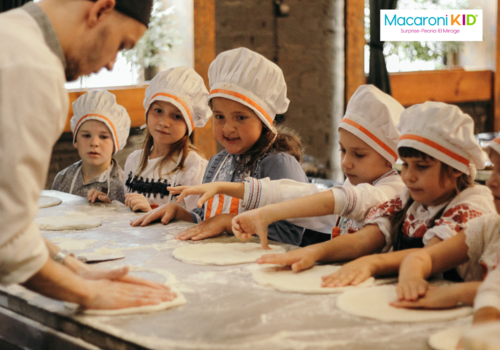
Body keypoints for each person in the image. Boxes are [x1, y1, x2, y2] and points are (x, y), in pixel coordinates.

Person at [0, 0, 175, 310]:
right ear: (100, 9)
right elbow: (6, 241)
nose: (111, 63)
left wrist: (71, 265)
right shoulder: (32, 69)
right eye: (121, 45)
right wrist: (89, 293)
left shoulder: (10, 32)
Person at [234, 102, 495, 285]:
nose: (409, 176)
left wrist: (371, 264)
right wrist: (316, 253)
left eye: (422, 167)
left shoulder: (472, 202)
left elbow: (430, 257)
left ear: (456, 171)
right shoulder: (410, 200)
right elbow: (369, 237)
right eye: (406, 166)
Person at [168, 85, 406, 249]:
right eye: (342, 151)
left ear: (390, 157)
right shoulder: (356, 180)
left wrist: (261, 215)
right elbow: (298, 197)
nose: (346, 163)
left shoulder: (388, 192)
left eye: (359, 154)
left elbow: (323, 199)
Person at [131, 47, 309, 246]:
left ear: (264, 120)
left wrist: (228, 223)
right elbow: (205, 216)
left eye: (240, 117)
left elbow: (291, 234)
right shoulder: (217, 162)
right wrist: (181, 213)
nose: (228, 128)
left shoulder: (278, 164)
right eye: (219, 117)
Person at [390, 137, 500, 327]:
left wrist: (454, 293)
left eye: (422, 166)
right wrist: (412, 278)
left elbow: (494, 291)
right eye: (494, 170)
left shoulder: (474, 203)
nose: (491, 182)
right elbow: (423, 257)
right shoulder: (490, 227)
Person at [89, 67, 210, 212]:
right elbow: (130, 208)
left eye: (176, 116)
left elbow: (198, 221)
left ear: (189, 125)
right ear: (147, 111)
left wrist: (151, 212)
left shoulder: (193, 166)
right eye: (158, 111)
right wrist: (108, 204)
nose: (164, 122)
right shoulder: (135, 160)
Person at [52, 90, 129, 203]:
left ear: (116, 144)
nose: (94, 143)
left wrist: (111, 209)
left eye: (103, 137)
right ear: (75, 141)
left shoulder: (123, 185)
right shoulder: (62, 179)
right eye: (86, 135)